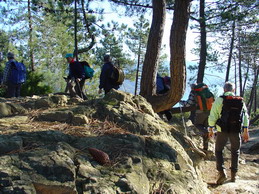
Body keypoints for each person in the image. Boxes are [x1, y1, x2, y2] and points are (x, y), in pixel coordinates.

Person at [208, 82, 249, 185]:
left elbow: (213, 115)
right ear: (233, 90)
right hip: (236, 130)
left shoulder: (219, 100)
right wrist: (245, 131)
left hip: (222, 130)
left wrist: (211, 129)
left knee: (218, 150)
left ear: (224, 90)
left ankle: (221, 172)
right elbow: (245, 116)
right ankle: (233, 175)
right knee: (235, 151)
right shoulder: (240, 101)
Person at [180, 83, 210, 151]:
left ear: (192, 88)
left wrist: (181, 102)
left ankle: (201, 133)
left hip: (199, 112)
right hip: (209, 112)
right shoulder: (205, 92)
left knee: (197, 125)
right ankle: (205, 148)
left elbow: (188, 104)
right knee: (205, 128)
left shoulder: (193, 92)